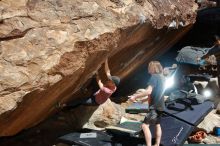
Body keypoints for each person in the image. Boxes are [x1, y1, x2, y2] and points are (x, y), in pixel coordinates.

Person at [128, 61, 165, 146]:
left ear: (153, 68)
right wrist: (143, 100)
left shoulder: (154, 77)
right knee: (157, 125)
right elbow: (157, 93)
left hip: (154, 107)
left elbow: (148, 91)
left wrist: (135, 96)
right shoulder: (162, 77)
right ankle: (157, 144)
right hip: (161, 106)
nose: (148, 69)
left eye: (149, 67)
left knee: (144, 126)